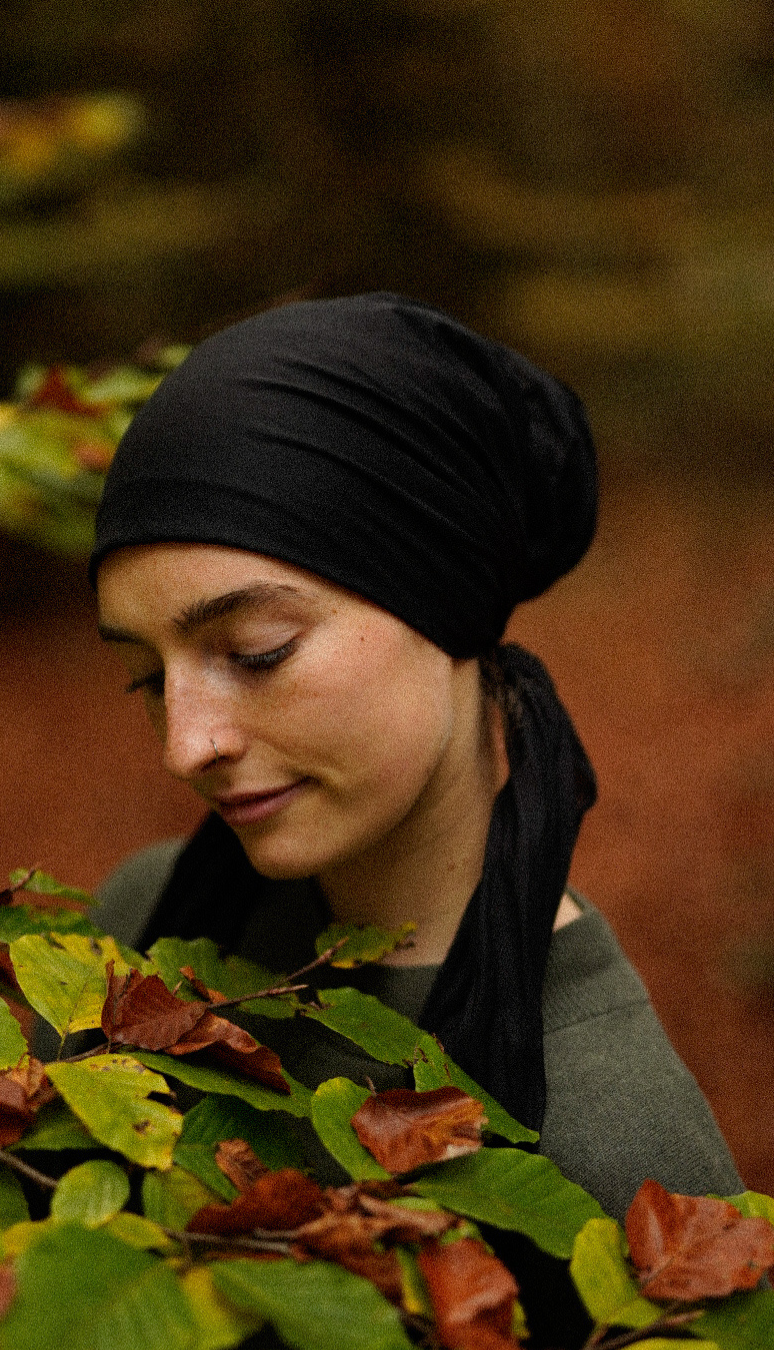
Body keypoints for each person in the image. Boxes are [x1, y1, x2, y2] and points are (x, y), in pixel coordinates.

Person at [86, 292, 743, 1226]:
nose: (186, 747)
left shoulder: (623, 1163)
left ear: (441, 601)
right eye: (146, 678)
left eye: (259, 650)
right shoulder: (143, 922)